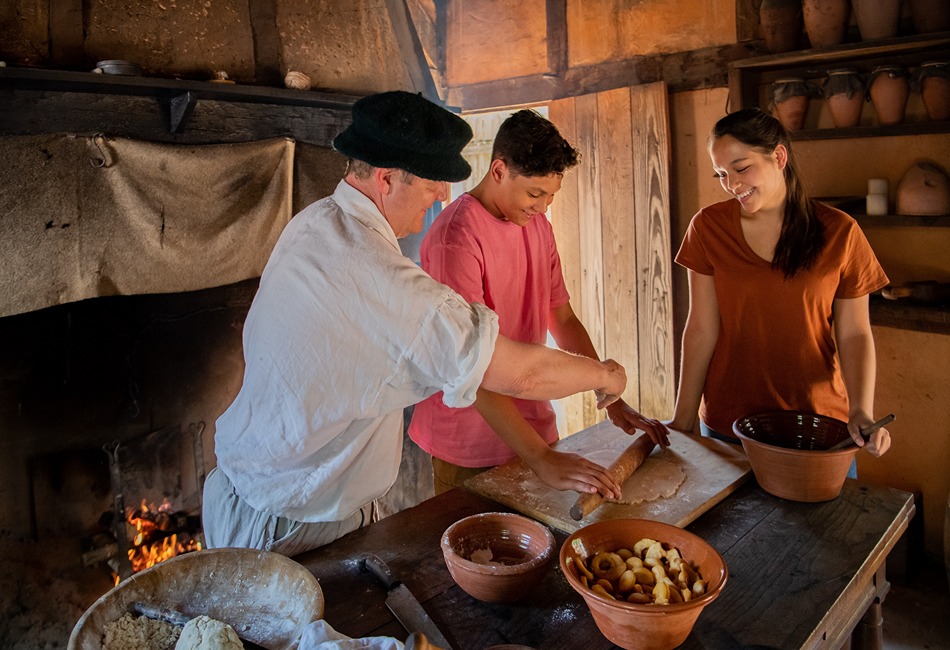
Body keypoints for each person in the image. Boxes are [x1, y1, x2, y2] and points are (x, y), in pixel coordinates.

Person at [201, 91, 629, 557]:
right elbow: (511, 371)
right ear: (386, 179)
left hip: (252, 487)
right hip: (293, 518)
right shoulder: (380, 275)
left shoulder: (317, 222)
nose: (442, 195)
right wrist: (605, 375)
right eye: (432, 184)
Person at [408, 109, 669, 498]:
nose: (543, 208)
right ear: (498, 170)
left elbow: (560, 315)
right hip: (469, 439)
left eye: (551, 196)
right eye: (535, 193)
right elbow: (470, 366)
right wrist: (541, 460)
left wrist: (610, 398)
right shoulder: (456, 236)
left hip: (535, 429)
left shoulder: (537, 226)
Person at [666, 108, 891, 460]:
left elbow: (854, 334)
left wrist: (862, 409)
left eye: (741, 168)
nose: (732, 184)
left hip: (819, 422)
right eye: (721, 174)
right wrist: (682, 419)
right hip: (729, 424)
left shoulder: (840, 231)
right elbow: (701, 328)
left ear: (779, 157)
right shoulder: (708, 227)